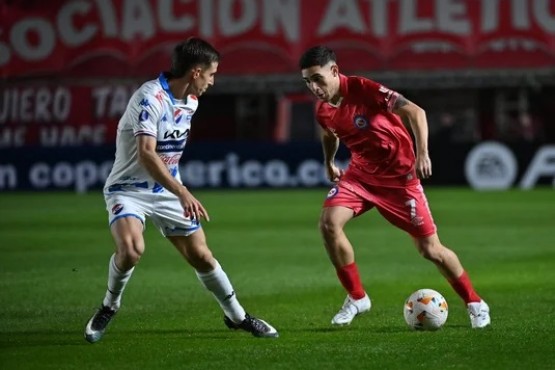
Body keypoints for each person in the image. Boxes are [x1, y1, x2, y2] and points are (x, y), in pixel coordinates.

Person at [84, 37, 278, 343]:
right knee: (132, 250)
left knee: (201, 255)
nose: (214, 81)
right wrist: (183, 191)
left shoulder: (191, 101)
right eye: (212, 74)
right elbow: (147, 154)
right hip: (129, 188)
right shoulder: (150, 97)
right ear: (196, 72)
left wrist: (176, 190)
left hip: (166, 190)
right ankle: (109, 306)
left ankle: (237, 316)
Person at [298, 46, 490, 329]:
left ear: (335, 71)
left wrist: (423, 153)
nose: (314, 87)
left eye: (318, 78)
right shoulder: (324, 110)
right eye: (307, 82)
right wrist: (329, 162)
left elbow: (415, 112)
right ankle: (357, 296)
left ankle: (475, 302)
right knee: (328, 224)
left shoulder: (364, 89)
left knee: (430, 250)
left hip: (400, 182)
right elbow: (329, 133)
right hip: (360, 177)